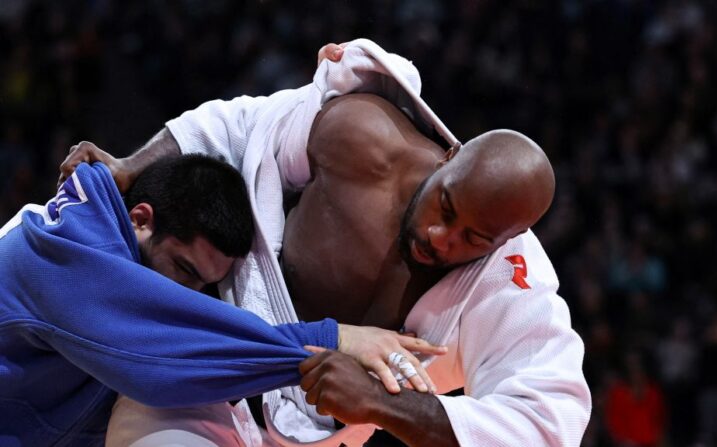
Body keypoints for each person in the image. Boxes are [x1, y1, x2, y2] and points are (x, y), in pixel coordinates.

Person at [61, 40, 591, 446]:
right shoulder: (365, 135)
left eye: (471, 238)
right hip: (206, 376)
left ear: (507, 241)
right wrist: (132, 165)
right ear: (448, 158)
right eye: (445, 207)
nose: (439, 237)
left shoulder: (509, 281)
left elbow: (548, 420)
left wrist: (386, 408)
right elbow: (239, 128)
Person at [0, 154, 441, 446]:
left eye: (203, 286)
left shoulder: (103, 234)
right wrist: (334, 338)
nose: (184, 297)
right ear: (141, 220)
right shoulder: (61, 252)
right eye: (185, 269)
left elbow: (239, 121)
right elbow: (162, 355)